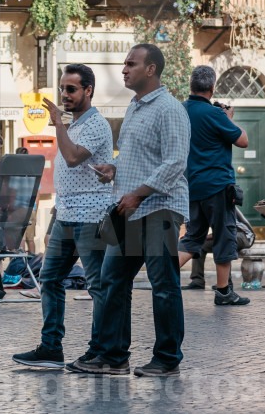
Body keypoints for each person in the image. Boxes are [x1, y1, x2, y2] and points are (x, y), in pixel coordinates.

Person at [78, 44, 190, 378]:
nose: (124, 70)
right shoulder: (134, 107)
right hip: (130, 209)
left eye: (131, 64)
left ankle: (167, 359)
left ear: (151, 69)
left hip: (159, 208)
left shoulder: (169, 109)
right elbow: (136, 157)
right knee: (112, 280)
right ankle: (113, 357)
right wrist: (114, 169)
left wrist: (139, 194)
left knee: (163, 285)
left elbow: (175, 162)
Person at [13, 64, 113, 369]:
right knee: (50, 278)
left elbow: (71, 159)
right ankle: (50, 348)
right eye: (62, 89)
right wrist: (56, 214)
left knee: (97, 285)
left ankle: (100, 351)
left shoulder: (96, 124)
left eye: (71, 89)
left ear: (88, 90)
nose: (64, 95)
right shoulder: (75, 124)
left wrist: (57, 122)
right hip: (67, 213)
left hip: (92, 215)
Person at [175, 66, 250, 306]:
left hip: (191, 187)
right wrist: (229, 118)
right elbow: (243, 140)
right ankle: (223, 292)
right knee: (224, 237)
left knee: (192, 237)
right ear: (212, 88)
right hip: (217, 187)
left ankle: (163, 276)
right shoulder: (214, 114)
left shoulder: (180, 111)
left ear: (191, 86)